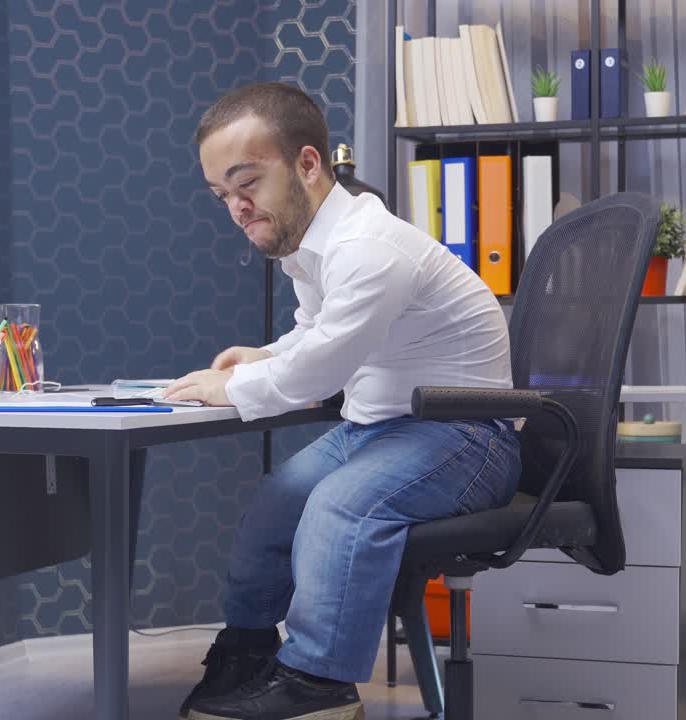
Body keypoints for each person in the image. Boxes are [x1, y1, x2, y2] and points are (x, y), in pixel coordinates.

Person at [163, 81, 522, 720]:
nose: (237, 208)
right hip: (383, 429)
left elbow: (323, 366)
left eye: (247, 183)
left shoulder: (369, 247)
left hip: (467, 436)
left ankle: (316, 687)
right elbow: (316, 335)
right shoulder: (311, 248)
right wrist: (265, 356)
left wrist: (235, 386)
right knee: (277, 501)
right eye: (223, 195)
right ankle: (249, 652)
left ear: (307, 163)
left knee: (341, 506)